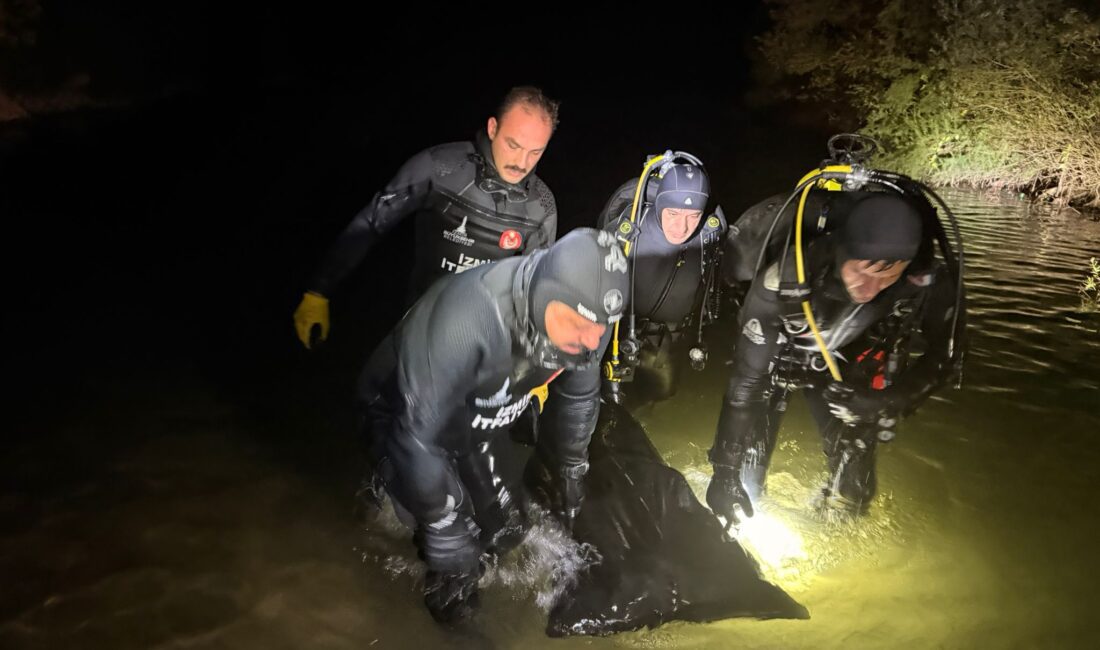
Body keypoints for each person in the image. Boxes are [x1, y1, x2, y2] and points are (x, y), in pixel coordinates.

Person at [357, 228, 630, 623]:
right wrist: (444, 528)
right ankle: (450, 621)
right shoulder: (470, 316)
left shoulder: (589, 319)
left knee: (507, 530)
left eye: (601, 328)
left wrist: (572, 467)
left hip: (477, 422)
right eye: (576, 323)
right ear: (544, 294)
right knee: (457, 546)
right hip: (401, 421)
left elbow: (578, 397)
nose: (589, 341)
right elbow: (416, 437)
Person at [706, 190, 964, 521]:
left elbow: (948, 355)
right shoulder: (784, 279)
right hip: (782, 355)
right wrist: (723, 474)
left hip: (851, 371)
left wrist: (886, 401)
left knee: (854, 495)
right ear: (843, 252)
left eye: (888, 276)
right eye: (863, 271)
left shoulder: (923, 280)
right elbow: (745, 385)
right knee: (744, 477)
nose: (871, 288)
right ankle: (742, 516)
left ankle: (837, 535)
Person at [293, 86, 560, 348]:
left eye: (535, 152)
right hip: (417, 331)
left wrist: (534, 359)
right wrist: (318, 291)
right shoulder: (439, 168)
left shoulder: (542, 205)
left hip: (485, 343)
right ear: (493, 129)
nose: (522, 162)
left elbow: (536, 290)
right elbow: (371, 223)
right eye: (513, 145)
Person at [597, 157, 727, 404]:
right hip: (619, 333)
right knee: (601, 398)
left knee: (661, 395)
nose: (682, 226)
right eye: (673, 213)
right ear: (659, 205)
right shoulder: (630, 228)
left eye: (693, 215)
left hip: (668, 338)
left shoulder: (710, 234)